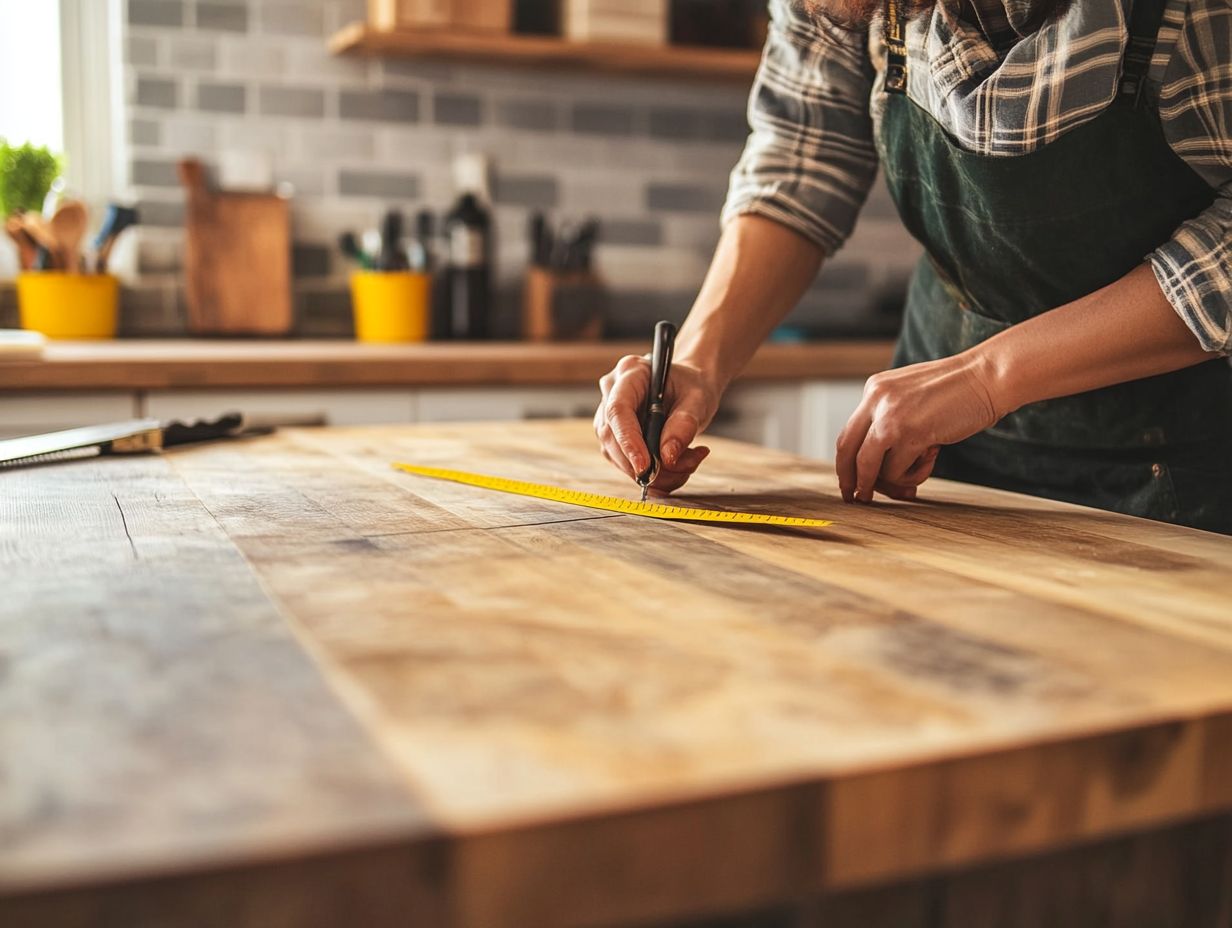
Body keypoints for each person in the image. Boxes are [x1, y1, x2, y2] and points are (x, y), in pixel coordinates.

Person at [593, 0, 1232, 534]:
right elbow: (802, 150)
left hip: (1188, 467)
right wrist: (701, 358)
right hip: (944, 452)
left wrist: (988, 379)